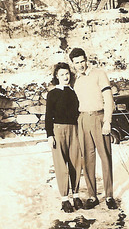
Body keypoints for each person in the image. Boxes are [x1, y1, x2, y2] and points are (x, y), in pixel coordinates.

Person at [69, 48, 117, 210]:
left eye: (82, 61)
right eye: (76, 63)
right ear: (73, 64)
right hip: (83, 119)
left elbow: (108, 99)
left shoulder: (99, 74)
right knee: (87, 159)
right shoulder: (76, 80)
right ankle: (92, 196)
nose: (80, 65)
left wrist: (107, 121)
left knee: (105, 156)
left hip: (99, 117)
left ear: (86, 59)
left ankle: (109, 195)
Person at [45, 62, 83, 213]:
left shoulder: (74, 92)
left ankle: (76, 195)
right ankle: (65, 199)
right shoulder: (53, 93)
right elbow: (48, 116)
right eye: (62, 74)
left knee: (76, 163)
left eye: (67, 73)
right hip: (58, 130)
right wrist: (50, 135)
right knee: (61, 166)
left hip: (74, 130)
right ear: (56, 76)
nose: (65, 77)